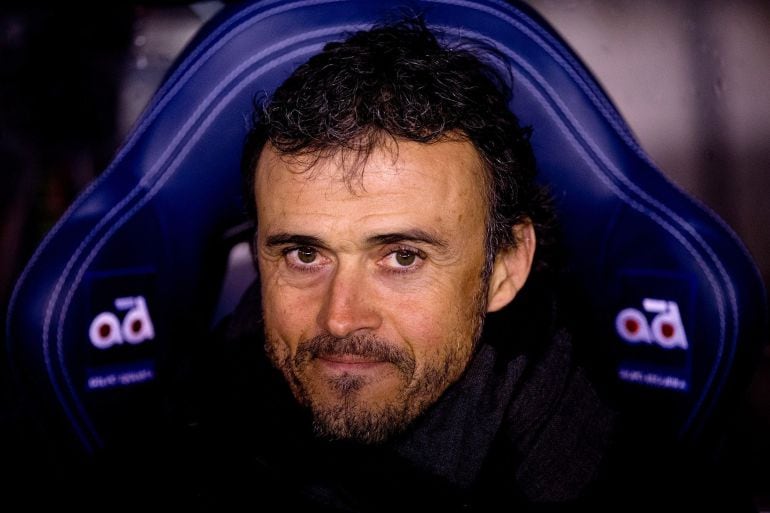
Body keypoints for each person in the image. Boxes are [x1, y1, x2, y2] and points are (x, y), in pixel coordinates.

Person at [183, 17, 751, 513]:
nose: (339, 317)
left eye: (402, 257)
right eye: (305, 254)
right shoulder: (198, 410)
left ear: (503, 268)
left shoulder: (609, 471)